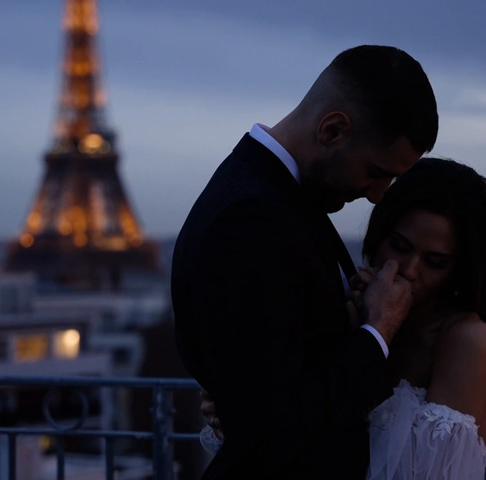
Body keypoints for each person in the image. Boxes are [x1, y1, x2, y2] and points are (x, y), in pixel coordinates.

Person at [171, 45, 438, 479]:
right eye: (375, 170)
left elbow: (270, 381)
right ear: (332, 130)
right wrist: (377, 332)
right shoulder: (252, 219)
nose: (377, 193)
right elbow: (268, 429)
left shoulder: (277, 200)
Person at [201, 157, 486, 479]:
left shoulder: (465, 340)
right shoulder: (350, 309)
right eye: (399, 246)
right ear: (379, 233)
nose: (409, 271)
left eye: (435, 261)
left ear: (458, 270)